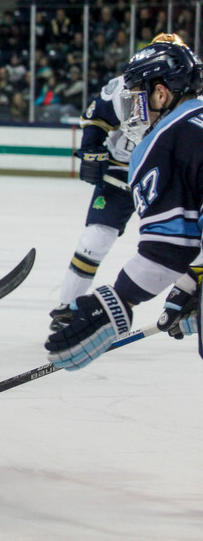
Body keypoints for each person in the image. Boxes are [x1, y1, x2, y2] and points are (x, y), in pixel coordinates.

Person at [45, 39, 203, 370]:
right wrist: (193, 282)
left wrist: (118, 301)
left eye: (138, 97)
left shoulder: (164, 141)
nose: (134, 109)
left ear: (161, 94)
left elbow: (168, 250)